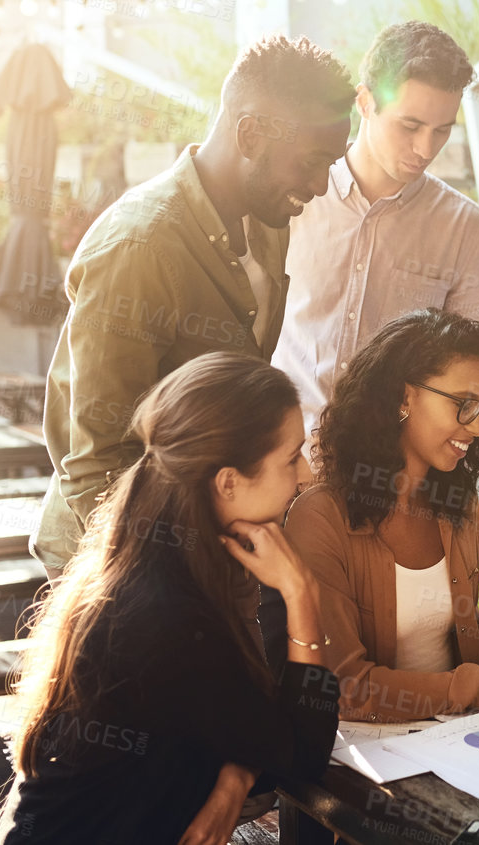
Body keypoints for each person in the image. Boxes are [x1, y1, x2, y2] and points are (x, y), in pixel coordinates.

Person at [33, 35, 355, 574]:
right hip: (118, 564)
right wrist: (152, 589)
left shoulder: (267, 222)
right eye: (311, 163)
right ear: (249, 134)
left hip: (202, 547)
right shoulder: (140, 246)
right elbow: (95, 462)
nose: (321, 186)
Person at [0, 353, 339, 845]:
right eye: (291, 458)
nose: (306, 475)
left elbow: (252, 729)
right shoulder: (167, 615)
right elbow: (302, 754)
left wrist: (234, 777)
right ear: (228, 483)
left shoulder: (158, 568)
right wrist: (302, 594)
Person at [285, 308, 479, 721]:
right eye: (464, 404)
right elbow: (346, 688)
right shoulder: (321, 517)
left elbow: (459, 649)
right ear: (404, 396)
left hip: (454, 738)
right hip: (369, 761)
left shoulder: (457, 505)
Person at [274, 21, 479, 442]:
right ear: (364, 102)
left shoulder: (464, 227)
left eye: (443, 130)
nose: (426, 149)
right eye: (410, 126)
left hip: (392, 474)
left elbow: (475, 378)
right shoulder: (295, 199)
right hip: (286, 463)